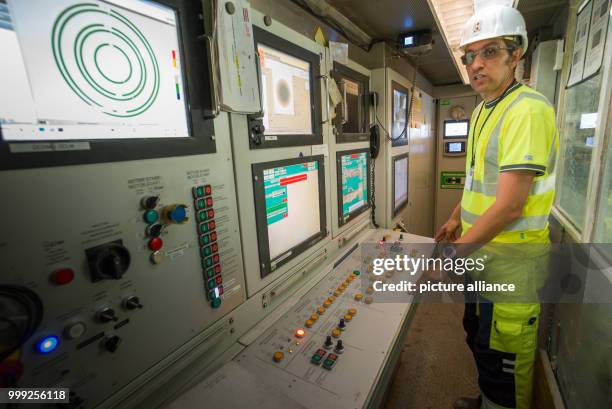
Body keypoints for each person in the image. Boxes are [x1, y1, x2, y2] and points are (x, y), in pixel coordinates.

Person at [434, 5, 558, 409]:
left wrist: (454, 256)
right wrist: (455, 219)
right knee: (479, 339)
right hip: (483, 259)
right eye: (470, 55)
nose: (476, 64)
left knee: (506, 359)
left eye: (490, 52)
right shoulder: (485, 109)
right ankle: (486, 401)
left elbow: (509, 207)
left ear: (516, 54)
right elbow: (476, 181)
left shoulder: (527, 109)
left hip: (510, 264)